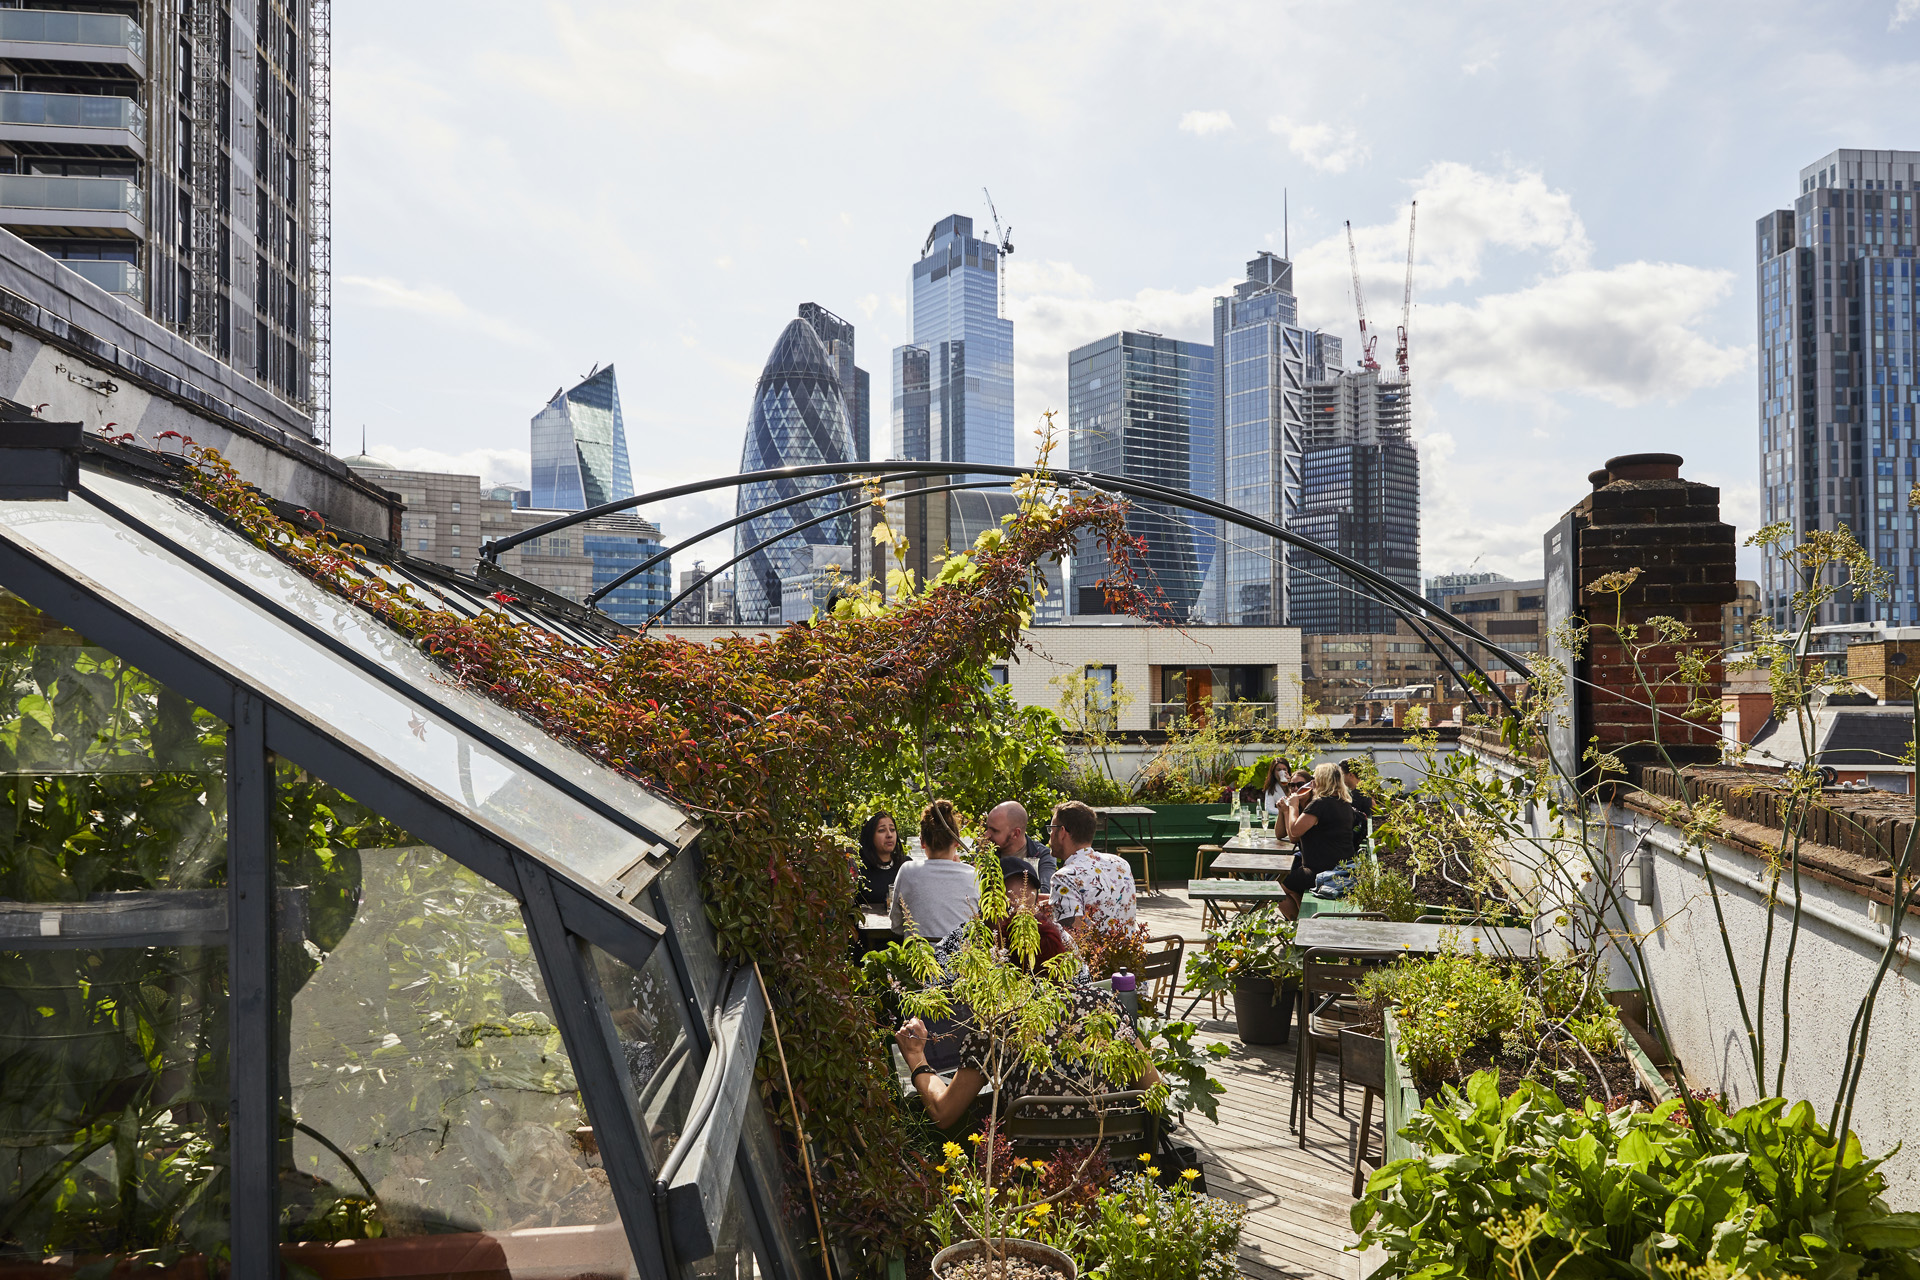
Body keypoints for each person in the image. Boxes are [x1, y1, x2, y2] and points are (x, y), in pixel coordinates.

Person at [889, 799, 980, 939]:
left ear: (922, 843)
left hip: (920, 957)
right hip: (963, 957)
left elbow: (896, 925)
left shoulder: (908, 871)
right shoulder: (973, 875)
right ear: (957, 841)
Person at [1280, 763, 1359, 920]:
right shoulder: (1345, 804)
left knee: (1278, 887)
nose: (1312, 782)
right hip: (1342, 870)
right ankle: (1303, 917)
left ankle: (1299, 927)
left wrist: (1293, 807)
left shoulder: (1320, 804)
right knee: (1293, 884)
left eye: (1315, 778)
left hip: (1320, 872)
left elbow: (1294, 831)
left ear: (1323, 780)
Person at [1046, 800, 1138, 931]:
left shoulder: (1064, 877)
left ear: (1062, 832)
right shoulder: (1120, 864)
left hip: (1093, 952)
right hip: (1127, 951)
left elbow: (1073, 939)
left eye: (1051, 829)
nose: (1050, 834)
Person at [981, 800, 1056, 890]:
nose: (986, 835)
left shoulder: (1042, 855)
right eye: (987, 828)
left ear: (1016, 833)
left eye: (994, 831)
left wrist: (989, 880)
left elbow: (1045, 892)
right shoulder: (984, 852)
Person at [856, 812, 903, 907]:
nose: (889, 835)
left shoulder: (905, 865)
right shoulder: (859, 869)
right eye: (881, 830)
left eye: (892, 829)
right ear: (870, 835)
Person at [1341, 760, 1377, 843]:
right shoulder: (1363, 790)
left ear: (1350, 775)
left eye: (1342, 774)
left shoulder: (1358, 795)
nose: (1341, 778)